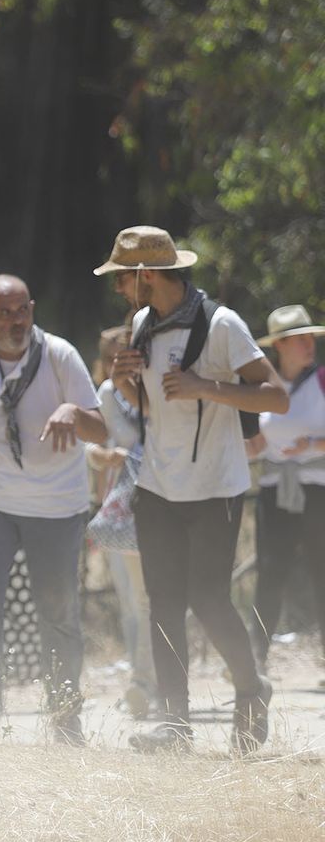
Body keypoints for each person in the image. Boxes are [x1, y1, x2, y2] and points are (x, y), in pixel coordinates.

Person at [97, 226, 287, 753]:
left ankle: (250, 691)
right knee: (163, 604)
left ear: (147, 275)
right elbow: (154, 408)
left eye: (122, 278)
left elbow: (275, 397)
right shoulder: (143, 324)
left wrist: (206, 386)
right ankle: (175, 725)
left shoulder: (222, 324)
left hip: (215, 486)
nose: (119, 289)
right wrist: (126, 380)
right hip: (158, 484)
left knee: (208, 599)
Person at [0, 275, 106, 744]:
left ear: (32, 309)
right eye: (4, 314)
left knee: (57, 609)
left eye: (23, 311)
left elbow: (101, 429)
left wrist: (74, 413)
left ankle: (65, 717)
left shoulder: (59, 355)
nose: (16, 322)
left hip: (56, 504)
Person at [247, 305, 325, 674]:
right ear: (279, 345)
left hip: (317, 489)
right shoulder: (262, 389)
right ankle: (255, 660)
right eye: (300, 339)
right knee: (270, 571)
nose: (309, 344)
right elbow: (255, 440)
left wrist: (313, 444)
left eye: (311, 337)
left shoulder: (323, 379)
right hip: (274, 490)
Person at [87, 323, 159, 718]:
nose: (123, 362)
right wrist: (106, 457)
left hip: (164, 499)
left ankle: (149, 680)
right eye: (115, 356)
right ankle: (143, 680)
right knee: (135, 601)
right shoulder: (107, 395)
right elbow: (100, 446)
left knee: (150, 599)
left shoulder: (157, 389)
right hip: (124, 509)